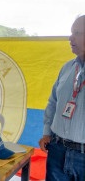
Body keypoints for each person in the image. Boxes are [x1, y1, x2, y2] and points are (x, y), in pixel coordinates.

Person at [38, 15, 85, 181]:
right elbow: (53, 102)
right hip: (58, 150)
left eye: (77, 33)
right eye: (71, 32)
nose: (70, 38)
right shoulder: (67, 68)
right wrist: (46, 132)